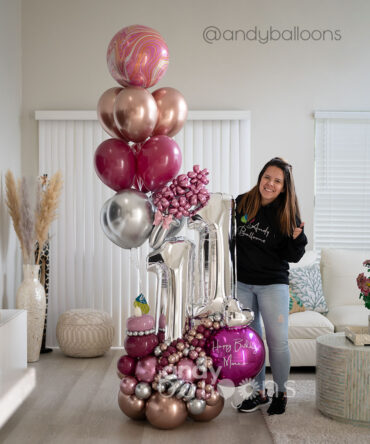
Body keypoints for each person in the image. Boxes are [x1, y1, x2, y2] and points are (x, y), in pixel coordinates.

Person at [235, 157, 307, 415]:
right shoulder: (241, 202)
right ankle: (257, 393)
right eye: (268, 177)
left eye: (277, 181)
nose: (270, 184)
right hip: (242, 283)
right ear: (260, 177)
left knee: (277, 342)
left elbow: (292, 255)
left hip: (273, 284)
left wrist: (299, 240)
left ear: (284, 187)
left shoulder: (287, 213)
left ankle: (281, 392)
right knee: (250, 342)